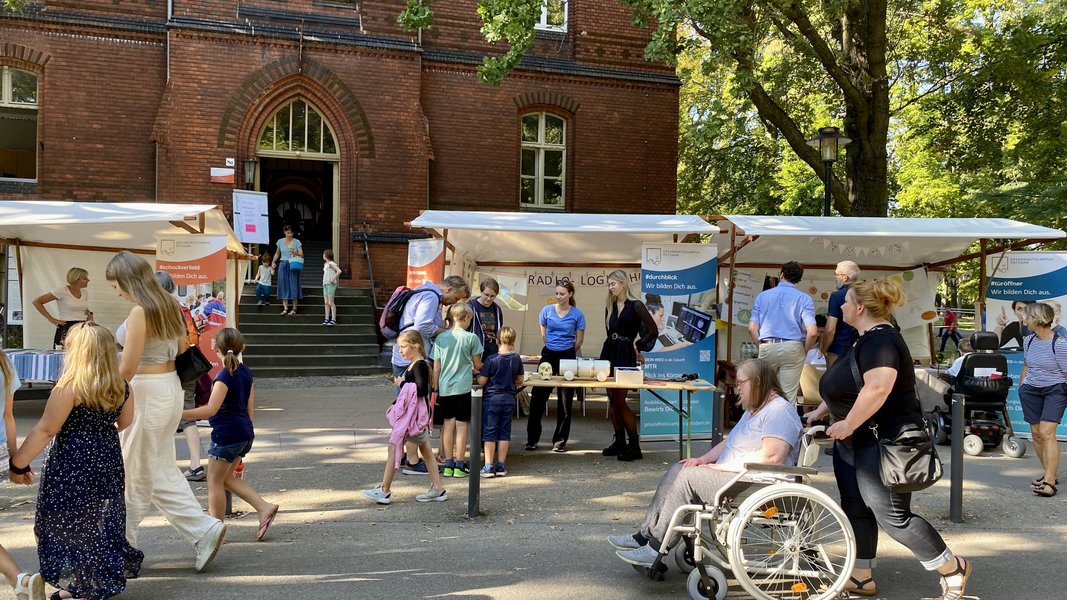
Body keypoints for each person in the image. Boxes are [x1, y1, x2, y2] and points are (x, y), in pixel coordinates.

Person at [804, 279, 972, 599]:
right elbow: (850, 382)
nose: (841, 307)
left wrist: (849, 422)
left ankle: (953, 568)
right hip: (857, 440)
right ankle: (861, 577)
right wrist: (822, 411)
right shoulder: (863, 339)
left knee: (893, 517)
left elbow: (878, 387)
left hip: (884, 443)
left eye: (846, 302)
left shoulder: (882, 341)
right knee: (855, 507)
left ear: (860, 308)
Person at [609, 358, 802, 567]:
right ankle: (645, 535)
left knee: (688, 478)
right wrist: (702, 460)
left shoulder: (779, 411)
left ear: (757, 382)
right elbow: (731, 444)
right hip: (739, 476)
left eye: (741, 383)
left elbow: (772, 457)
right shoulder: (755, 409)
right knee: (682, 468)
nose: (737, 389)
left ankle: (656, 548)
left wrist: (722, 467)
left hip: (758, 483)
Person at [106, 251, 226, 572]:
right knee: (158, 469)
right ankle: (203, 530)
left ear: (128, 280)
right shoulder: (170, 305)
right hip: (170, 387)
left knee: (134, 472)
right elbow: (184, 349)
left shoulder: (139, 312)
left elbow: (128, 366)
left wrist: (103, 395)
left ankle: (122, 550)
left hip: (145, 391)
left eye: (116, 284)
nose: (115, 291)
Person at [11, 322, 144, 599]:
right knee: (94, 519)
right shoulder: (121, 386)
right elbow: (126, 421)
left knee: (67, 521)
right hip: (106, 456)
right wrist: (98, 434)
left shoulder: (70, 387)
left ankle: (85, 586)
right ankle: (93, 580)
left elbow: (46, 429)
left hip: (72, 461)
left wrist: (19, 463)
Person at [182, 328, 280, 537]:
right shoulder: (245, 372)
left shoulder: (223, 376)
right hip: (244, 433)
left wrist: (178, 412)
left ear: (216, 348)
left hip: (226, 435)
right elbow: (249, 409)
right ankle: (263, 507)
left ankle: (216, 532)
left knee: (214, 482)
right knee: (226, 479)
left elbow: (211, 409)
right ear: (242, 347)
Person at [389, 275, 470, 476]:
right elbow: (423, 325)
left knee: (409, 408)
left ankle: (409, 455)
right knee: (414, 410)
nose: (454, 303)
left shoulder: (424, 293)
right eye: (456, 298)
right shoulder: (432, 297)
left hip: (406, 358)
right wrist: (448, 332)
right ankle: (413, 461)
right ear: (449, 289)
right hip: (412, 359)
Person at [362, 330, 448, 504]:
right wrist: (396, 402)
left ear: (415, 346)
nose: (400, 350)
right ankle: (438, 489)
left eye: (403, 346)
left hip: (413, 419)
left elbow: (421, 390)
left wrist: (401, 383)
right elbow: (414, 391)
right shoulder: (416, 365)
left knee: (394, 447)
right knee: (425, 452)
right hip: (416, 418)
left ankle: (384, 490)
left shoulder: (420, 366)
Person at [1, 348, 46, 600]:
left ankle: (19, 579)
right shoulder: (4, 361)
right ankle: (19, 580)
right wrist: (15, 460)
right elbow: (8, 415)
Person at [154, 271, 206, 482]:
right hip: (188, 368)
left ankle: (163, 466)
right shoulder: (182, 307)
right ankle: (195, 464)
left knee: (162, 414)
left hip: (169, 367)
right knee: (187, 413)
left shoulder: (160, 310)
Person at [599, 270, 657, 461]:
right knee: (612, 400)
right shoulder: (610, 305)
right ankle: (620, 442)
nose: (610, 287)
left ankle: (634, 445)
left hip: (625, 353)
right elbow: (609, 332)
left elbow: (652, 330)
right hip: (609, 351)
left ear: (623, 283)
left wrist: (638, 346)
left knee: (619, 400)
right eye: (609, 284)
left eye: (613, 284)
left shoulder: (636, 305)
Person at [747, 261, 819, 403]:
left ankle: (763, 424)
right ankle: (786, 424)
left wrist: (759, 344)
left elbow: (751, 328)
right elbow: (812, 332)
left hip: (768, 345)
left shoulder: (762, 296)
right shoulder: (805, 299)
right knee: (788, 396)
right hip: (793, 346)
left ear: (781, 275)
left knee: (764, 393)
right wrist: (804, 350)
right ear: (798, 279)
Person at [527, 280, 586, 453]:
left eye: (562, 293)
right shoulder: (546, 311)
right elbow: (543, 334)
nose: (558, 297)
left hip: (568, 355)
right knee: (538, 396)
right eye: (557, 293)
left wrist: (567, 351)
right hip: (549, 354)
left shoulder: (577, 314)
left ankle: (560, 441)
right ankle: (532, 439)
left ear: (570, 294)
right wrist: (553, 347)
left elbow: (580, 340)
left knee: (565, 400)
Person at [1018, 302, 1067, 498]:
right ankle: (1049, 473)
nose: (1024, 320)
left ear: (1037, 319)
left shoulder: (1061, 344)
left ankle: (1049, 483)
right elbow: (1027, 366)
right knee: (1036, 434)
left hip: (1055, 390)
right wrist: (1022, 387)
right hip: (1031, 390)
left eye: (1027, 317)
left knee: (1047, 433)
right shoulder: (1028, 340)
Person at [431, 303, 483, 478]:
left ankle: (448, 464)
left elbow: (436, 367)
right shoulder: (471, 338)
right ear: (467, 318)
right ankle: (460, 465)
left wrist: (435, 388)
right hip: (463, 387)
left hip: (445, 387)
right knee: (462, 427)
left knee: (447, 425)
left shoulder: (441, 338)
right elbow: (478, 364)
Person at [476, 326, 523, 477]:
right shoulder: (516, 359)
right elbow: (520, 380)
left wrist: (478, 375)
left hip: (492, 399)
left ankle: (488, 466)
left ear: (497, 340)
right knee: (504, 433)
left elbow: (482, 381)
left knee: (489, 433)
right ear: (513, 342)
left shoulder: (491, 359)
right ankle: (501, 466)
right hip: (509, 399)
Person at [32, 266, 92, 349]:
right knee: (62, 356)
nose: (88, 280)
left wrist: (89, 315)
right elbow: (37, 302)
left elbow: (81, 308)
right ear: (76, 279)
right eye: (85, 278)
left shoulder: (84, 292)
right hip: (66, 328)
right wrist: (51, 319)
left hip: (82, 327)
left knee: (81, 356)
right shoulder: (61, 291)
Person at [822, 260, 860, 365]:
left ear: (845, 277)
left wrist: (823, 349)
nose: (834, 277)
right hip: (860, 348)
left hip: (838, 349)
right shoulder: (865, 295)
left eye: (836, 274)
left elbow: (830, 329)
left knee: (834, 380)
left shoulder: (837, 296)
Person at [467, 277, 504, 359]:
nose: (488, 298)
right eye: (486, 295)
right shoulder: (471, 307)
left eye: (492, 296)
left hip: (492, 350)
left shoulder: (497, 309)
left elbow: (499, 329)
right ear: (481, 292)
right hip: (475, 350)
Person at [271, 225, 304, 316]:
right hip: (283, 264)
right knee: (283, 285)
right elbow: (277, 253)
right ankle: (285, 308)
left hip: (293, 265)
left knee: (293, 285)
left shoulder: (297, 242)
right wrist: (273, 262)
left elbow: (302, 255)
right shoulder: (280, 241)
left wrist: (295, 253)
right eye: (288, 232)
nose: (289, 234)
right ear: (284, 232)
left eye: (291, 233)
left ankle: (294, 308)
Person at [322, 249, 342, 326]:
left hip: (331, 284)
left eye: (324, 254)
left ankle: (333, 319)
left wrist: (333, 278)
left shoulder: (331, 263)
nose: (323, 255)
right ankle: (326, 318)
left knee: (331, 302)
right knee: (326, 302)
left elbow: (339, 271)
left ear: (326, 255)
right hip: (325, 284)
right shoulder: (326, 264)